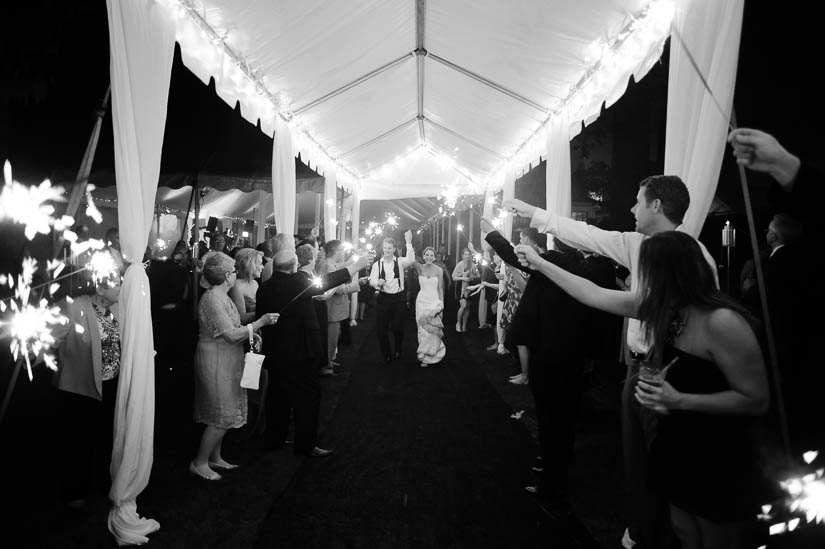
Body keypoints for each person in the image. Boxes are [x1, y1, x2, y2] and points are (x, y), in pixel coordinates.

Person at [517, 232, 769, 549]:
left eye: (645, 270)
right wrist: (540, 263)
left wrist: (681, 399)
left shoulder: (723, 322)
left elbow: (756, 399)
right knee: (686, 532)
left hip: (717, 452)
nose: (640, 278)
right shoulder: (665, 311)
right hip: (677, 442)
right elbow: (591, 294)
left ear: (670, 272)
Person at [505, 175, 717, 549]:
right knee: (635, 458)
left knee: (665, 460)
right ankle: (640, 525)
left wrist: (540, 262)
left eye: (638, 201)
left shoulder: (692, 259)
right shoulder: (636, 244)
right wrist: (536, 214)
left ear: (656, 205)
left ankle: (663, 532)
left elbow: (601, 296)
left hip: (669, 369)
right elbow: (587, 235)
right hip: (637, 367)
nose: (632, 208)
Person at [483, 220, 592, 505]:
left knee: (549, 419)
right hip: (574, 355)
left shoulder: (554, 262)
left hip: (549, 352)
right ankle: (557, 471)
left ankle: (550, 483)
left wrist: (490, 230)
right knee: (565, 422)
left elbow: (512, 255)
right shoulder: (588, 267)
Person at [256, 246, 370, 456]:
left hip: (274, 352)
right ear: (294, 266)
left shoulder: (264, 287)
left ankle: (275, 439)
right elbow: (326, 282)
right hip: (300, 352)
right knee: (307, 398)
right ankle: (306, 446)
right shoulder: (297, 282)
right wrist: (356, 266)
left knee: (277, 397)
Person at [191, 253, 279, 480]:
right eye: (233, 272)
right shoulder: (212, 299)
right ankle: (199, 462)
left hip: (227, 357)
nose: (235, 275)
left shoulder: (223, 296)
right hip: (215, 358)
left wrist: (253, 334)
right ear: (226, 275)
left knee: (225, 410)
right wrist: (259, 324)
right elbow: (230, 334)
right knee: (221, 413)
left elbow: (235, 325)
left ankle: (214, 457)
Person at [51, 271, 122, 507]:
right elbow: (50, 340)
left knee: (105, 436)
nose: (121, 288)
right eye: (117, 284)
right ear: (100, 289)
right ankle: (74, 491)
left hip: (110, 385)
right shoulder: (72, 308)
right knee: (78, 440)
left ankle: (103, 481)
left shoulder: (117, 309)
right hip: (79, 388)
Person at [369, 231, 415, 363]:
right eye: (385, 248)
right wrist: (377, 282)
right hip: (383, 299)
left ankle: (398, 350)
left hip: (398, 299)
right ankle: (386, 354)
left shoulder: (400, 262)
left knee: (398, 328)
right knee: (381, 330)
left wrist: (408, 242)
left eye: (389, 248)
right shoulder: (377, 265)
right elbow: (372, 280)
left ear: (394, 249)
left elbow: (411, 260)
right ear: (382, 249)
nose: (387, 250)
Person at [320, 240, 360, 376]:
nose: (343, 253)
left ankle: (330, 361)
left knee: (334, 337)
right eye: (342, 250)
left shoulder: (331, 264)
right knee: (331, 339)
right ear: (335, 251)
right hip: (332, 309)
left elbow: (342, 268)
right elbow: (337, 289)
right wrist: (356, 285)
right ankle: (327, 366)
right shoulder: (329, 265)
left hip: (335, 309)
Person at [413, 247, 446, 367]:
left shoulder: (439, 270)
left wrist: (441, 303)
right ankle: (423, 352)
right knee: (421, 328)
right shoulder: (419, 268)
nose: (429, 257)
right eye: (427, 255)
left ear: (435, 256)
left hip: (434, 301)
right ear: (423, 255)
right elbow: (410, 260)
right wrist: (409, 242)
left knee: (431, 329)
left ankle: (431, 354)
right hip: (421, 301)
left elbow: (440, 288)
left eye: (431, 255)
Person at [228, 248, 264, 324]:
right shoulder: (237, 286)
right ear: (250, 265)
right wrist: (264, 312)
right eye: (260, 264)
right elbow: (241, 318)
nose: (263, 267)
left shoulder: (255, 283)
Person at [451, 248, 479, 333]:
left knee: (467, 307)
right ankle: (458, 323)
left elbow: (477, 275)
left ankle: (464, 325)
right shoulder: (459, 264)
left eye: (468, 254)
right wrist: (462, 277)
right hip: (460, 286)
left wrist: (472, 277)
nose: (467, 256)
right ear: (462, 255)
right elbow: (453, 277)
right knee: (463, 305)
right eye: (465, 254)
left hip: (470, 287)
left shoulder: (473, 265)